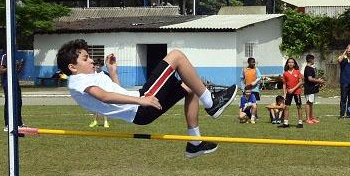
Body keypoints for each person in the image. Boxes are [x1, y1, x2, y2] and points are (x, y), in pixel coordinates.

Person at [56, 39, 235, 158]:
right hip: (141, 105)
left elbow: (115, 92)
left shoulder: (90, 77)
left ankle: (195, 143)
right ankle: (211, 102)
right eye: (85, 58)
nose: (91, 61)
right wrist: (141, 100)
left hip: (141, 110)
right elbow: (104, 97)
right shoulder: (77, 81)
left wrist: (113, 72)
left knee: (190, 88)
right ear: (72, 67)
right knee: (176, 56)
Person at [0, 52, 24, 130]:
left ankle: (19, 123)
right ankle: (7, 124)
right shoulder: (5, 56)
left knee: (18, 102)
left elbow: (16, 71)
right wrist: (11, 66)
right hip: (7, 82)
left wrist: (20, 66)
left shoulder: (15, 56)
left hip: (15, 81)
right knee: (9, 102)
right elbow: (1, 70)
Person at [280, 56, 305, 128]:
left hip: (296, 92)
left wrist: (293, 89)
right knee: (286, 107)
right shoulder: (285, 73)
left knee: (299, 106)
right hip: (288, 93)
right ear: (287, 64)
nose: (290, 63)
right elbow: (284, 84)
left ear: (294, 64)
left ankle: (300, 122)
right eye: (289, 62)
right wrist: (284, 94)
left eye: (292, 62)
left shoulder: (297, 72)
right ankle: (286, 123)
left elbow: (300, 82)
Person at [303, 53, 325, 124]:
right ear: (310, 60)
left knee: (311, 103)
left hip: (313, 88)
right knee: (308, 103)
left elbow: (312, 78)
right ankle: (307, 119)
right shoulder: (308, 68)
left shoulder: (311, 68)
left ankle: (311, 117)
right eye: (313, 59)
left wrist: (318, 80)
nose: (314, 61)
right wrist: (318, 81)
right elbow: (309, 79)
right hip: (309, 88)